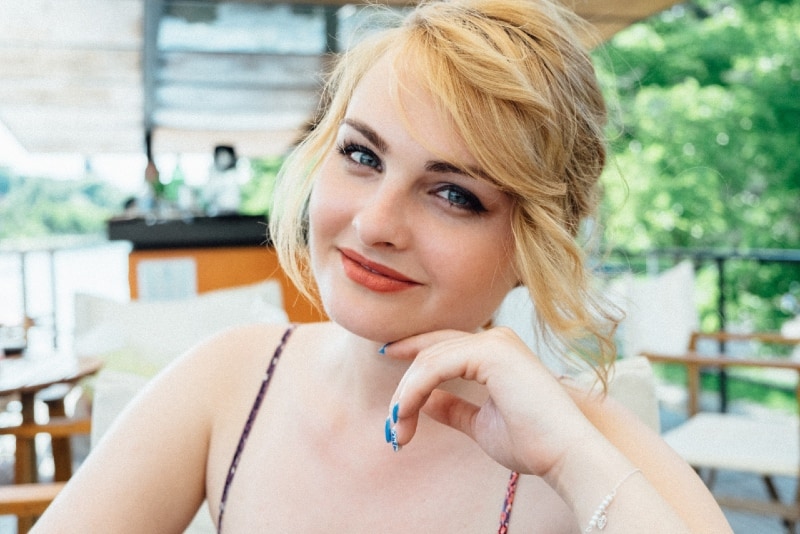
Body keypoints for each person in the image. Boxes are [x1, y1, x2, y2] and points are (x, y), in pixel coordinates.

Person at [34, 0, 732, 532]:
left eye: (454, 194)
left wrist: (571, 461)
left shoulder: (588, 442)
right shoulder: (229, 381)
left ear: (532, 245)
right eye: (362, 156)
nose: (374, 224)